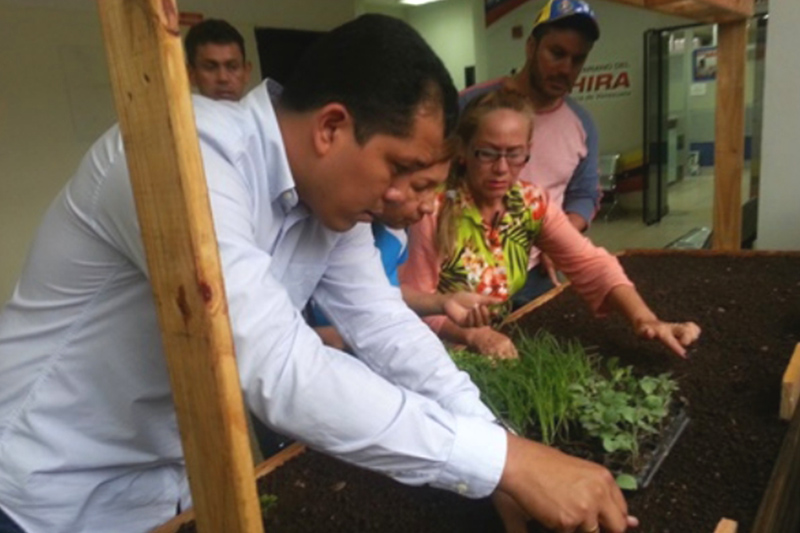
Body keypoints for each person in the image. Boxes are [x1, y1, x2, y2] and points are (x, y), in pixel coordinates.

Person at [1, 14, 637, 533]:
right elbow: (279, 366)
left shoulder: (329, 208)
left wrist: (500, 444)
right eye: (400, 169)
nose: (404, 203)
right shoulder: (184, 155)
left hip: (160, 493)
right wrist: (503, 463)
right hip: (40, 494)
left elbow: (386, 327)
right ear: (332, 126)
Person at [401, 88, 701, 362]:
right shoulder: (434, 210)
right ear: (464, 151)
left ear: (528, 150)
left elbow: (590, 263)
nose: (502, 168)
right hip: (437, 353)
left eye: (514, 153)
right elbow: (416, 303)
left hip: (496, 343)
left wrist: (645, 319)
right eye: (487, 153)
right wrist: (472, 335)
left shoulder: (530, 203)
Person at [460, 0, 602, 309]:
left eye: (578, 60)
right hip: (463, 276)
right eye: (557, 53)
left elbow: (585, 194)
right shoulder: (470, 105)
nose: (566, 68)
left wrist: (560, 236)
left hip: (538, 276)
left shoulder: (583, 124)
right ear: (531, 46)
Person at [310, 156, 500, 351]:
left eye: (435, 190)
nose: (429, 206)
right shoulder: (327, 227)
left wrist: (443, 302)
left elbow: (387, 292)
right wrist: (338, 337)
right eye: (419, 187)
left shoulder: (397, 233)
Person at [185, 18, 252, 101]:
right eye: (210, 68)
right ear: (191, 74)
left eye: (232, 67)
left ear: (246, 72)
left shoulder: (265, 113)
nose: (223, 78)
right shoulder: (177, 114)